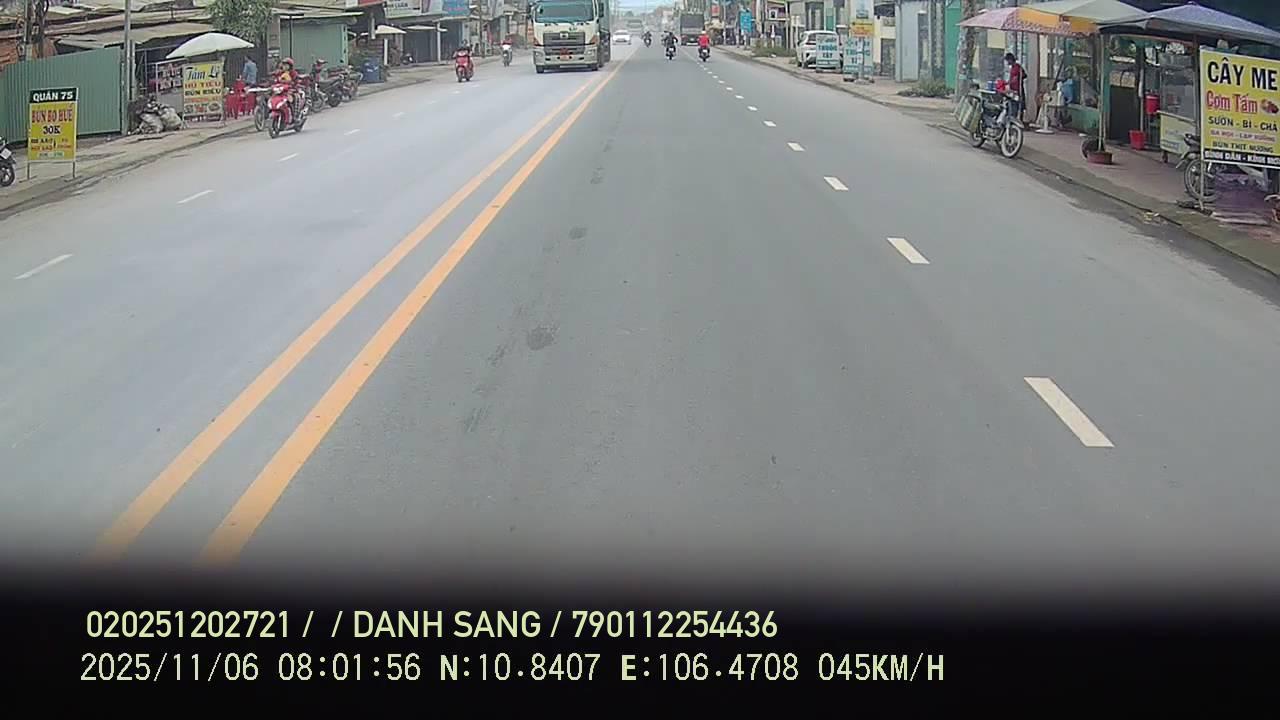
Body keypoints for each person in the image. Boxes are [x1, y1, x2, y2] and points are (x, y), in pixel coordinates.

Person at [1004, 52, 1026, 123]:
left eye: (1008, 60)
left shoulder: (1017, 67)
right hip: (1012, 90)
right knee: (1012, 105)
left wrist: (1017, 78)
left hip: (1018, 90)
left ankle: (1018, 120)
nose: (1007, 62)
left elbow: (1024, 75)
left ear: (1010, 60)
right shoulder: (1012, 68)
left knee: (1017, 105)